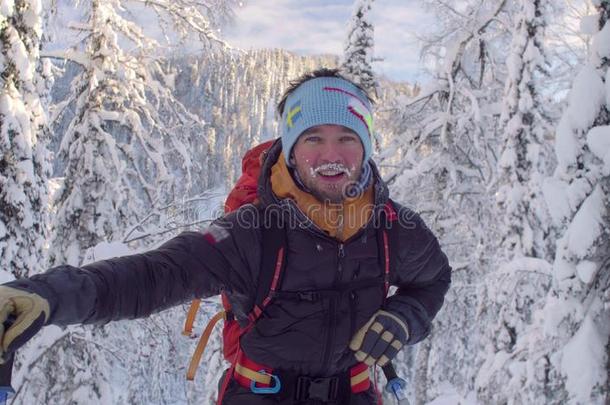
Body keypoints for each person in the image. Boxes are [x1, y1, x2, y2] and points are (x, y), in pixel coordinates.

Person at [0, 68, 451, 404]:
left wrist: (403, 319)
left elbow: (433, 279)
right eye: (312, 138)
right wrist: (46, 297)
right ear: (291, 151)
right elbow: (153, 276)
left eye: (346, 138)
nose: (330, 155)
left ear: (367, 147)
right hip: (258, 396)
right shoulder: (254, 232)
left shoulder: (395, 228)